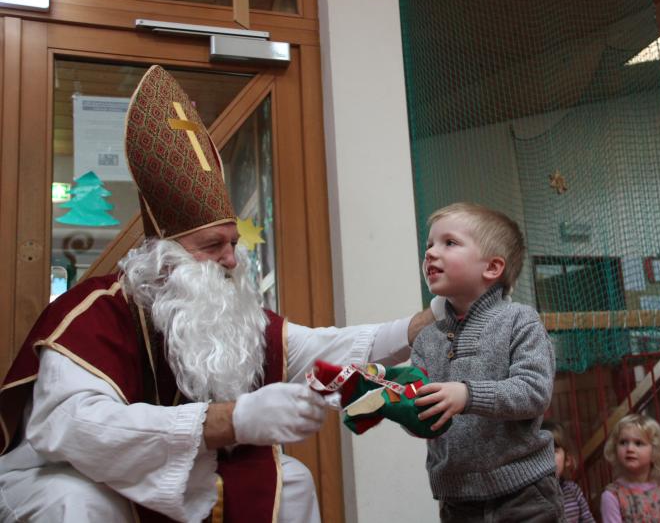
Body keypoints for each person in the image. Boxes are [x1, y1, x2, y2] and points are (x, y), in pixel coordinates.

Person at [0, 65, 432, 523]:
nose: (230, 260)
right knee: (79, 504)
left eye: (234, 244)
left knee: (292, 481)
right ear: (164, 257)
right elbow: (73, 430)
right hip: (70, 472)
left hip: (177, 465)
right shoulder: (92, 313)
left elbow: (326, 347)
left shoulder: (228, 313)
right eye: (213, 246)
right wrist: (233, 420)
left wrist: (428, 320)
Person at [410, 202, 562, 522]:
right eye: (429, 245)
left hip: (524, 492)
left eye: (448, 243)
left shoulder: (520, 320)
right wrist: (391, 400)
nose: (431, 253)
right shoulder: (426, 340)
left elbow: (534, 392)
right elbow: (424, 416)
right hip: (458, 499)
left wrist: (467, 395)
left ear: (492, 268)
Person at [600, 413, 660, 522]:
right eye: (623, 442)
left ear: (655, 451)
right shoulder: (612, 496)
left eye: (638, 443)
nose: (629, 448)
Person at [542, 419, 595, 523]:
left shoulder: (573, 491)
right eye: (541, 451)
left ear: (567, 460)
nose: (547, 456)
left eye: (553, 450)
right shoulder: (530, 495)